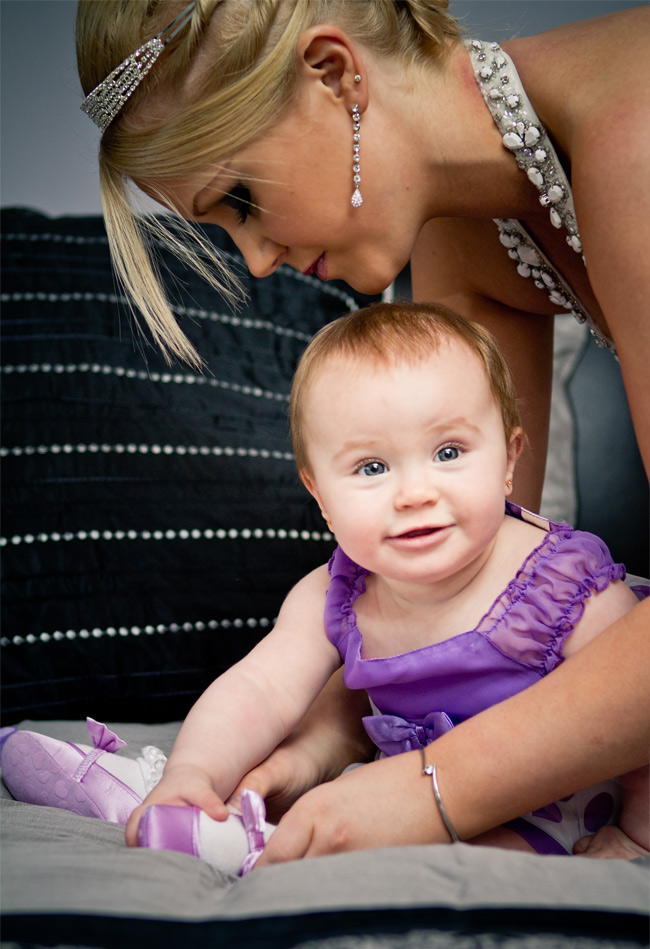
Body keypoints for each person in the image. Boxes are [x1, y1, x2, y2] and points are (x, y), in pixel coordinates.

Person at [72, 0, 650, 860]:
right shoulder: (461, 222)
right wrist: (325, 741)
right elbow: (465, 589)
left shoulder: (636, 139)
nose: (259, 261)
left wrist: (430, 789)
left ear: (336, 74)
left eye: (239, 197)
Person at [4, 303, 646, 866]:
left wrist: (637, 836)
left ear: (509, 459)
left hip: (558, 805)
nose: (415, 493)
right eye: (371, 466)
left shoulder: (562, 586)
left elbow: (636, 705)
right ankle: (184, 806)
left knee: (434, 859)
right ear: (320, 496)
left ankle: (247, 852)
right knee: (317, 805)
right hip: (402, 794)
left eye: (449, 452)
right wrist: (191, 773)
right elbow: (256, 690)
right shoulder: (334, 594)